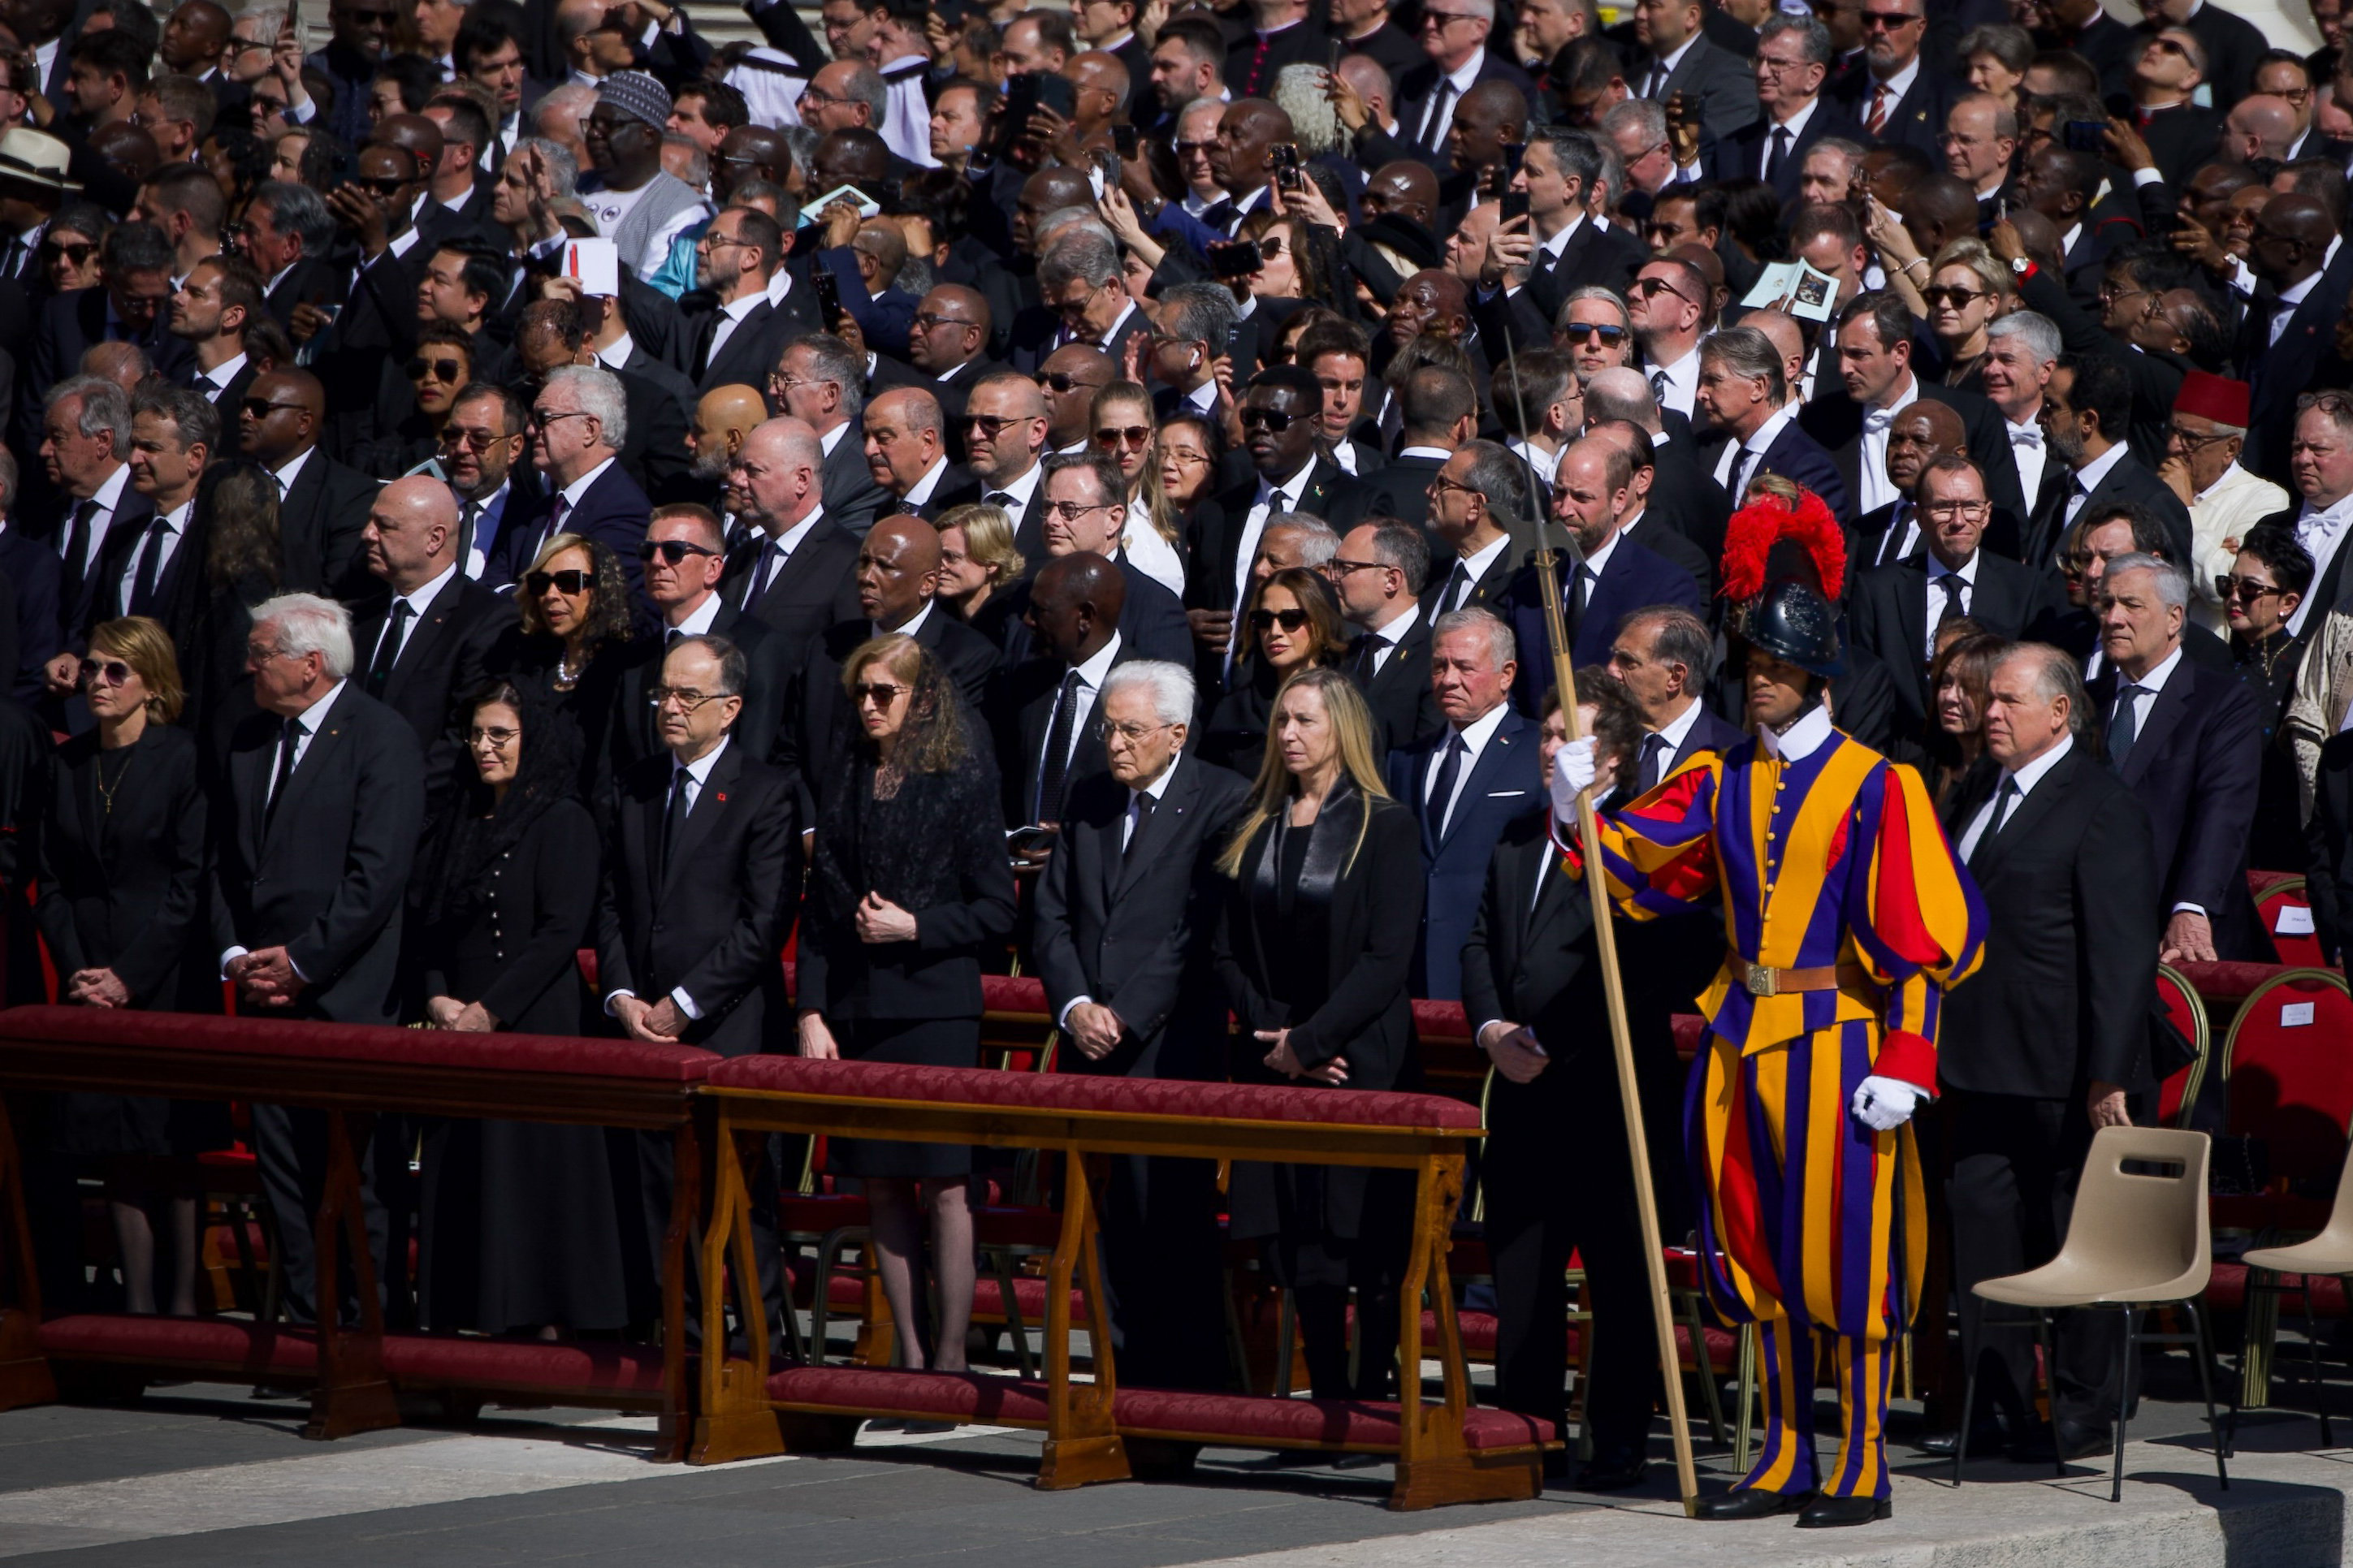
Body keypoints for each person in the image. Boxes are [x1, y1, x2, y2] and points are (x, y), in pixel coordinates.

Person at [1561, 515, 1985, 1526]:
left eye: (1781, 667)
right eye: (1753, 663)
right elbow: (1632, 871)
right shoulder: (1718, 778)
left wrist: (1908, 1056)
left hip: (1839, 1044)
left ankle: (1862, 1460)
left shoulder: (1880, 787)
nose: (1761, 679)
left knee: (1842, 1254)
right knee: (1759, 1250)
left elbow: (1926, 936)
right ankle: (1788, 1449)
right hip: (1739, 1038)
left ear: (1819, 677)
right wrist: (1576, 800)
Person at [1933, 642, 2160, 1465]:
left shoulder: (2100, 804)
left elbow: (2122, 949)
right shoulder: (1976, 793)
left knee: (2073, 1233)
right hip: (1977, 1061)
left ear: (2058, 711)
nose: (1987, 712)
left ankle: (2082, 1403)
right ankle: (1993, 1398)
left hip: (2065, 1070)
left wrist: (2108, 1070)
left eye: (2006, 701)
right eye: (1984, 698)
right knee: (1982, 1228)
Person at [1460, 669, 1670, 1490]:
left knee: (1617, 1272)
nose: (1551, 747)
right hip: (1520, 1087)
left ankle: (1615, 1433)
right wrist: (1490, 1030)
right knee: (1522, 1267)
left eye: (1569, 738)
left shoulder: (1630, 843)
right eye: (1547, 734)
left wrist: (1543, 1035)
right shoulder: (1518, 836)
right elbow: (1477, 941)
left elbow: (1634, 967)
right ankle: (1527, 1426)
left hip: (1602, 1088)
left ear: (1611, 757)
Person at [1027, 659, 1248, 1391]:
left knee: (1171, 1213)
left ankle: (1185, 1379)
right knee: (1103, 1217)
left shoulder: (1221, 797)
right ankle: (1118, 1372)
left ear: (1176, 733)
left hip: (1168, 1041)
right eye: (1108, 727)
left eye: (1130, 730)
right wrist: (1074, 1006)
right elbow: (1052, 913)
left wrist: (1125, 1014)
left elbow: (1196, 931)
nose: (1114, 742)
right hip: (1089, 1037)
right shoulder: (1090, 794)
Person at [797, 633, 1015, 1372]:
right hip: (860, 1007)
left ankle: (952, 1357)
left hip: (936, 1006)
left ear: (922, 698)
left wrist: (915, 925)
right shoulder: (850, 772)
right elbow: (823, 903)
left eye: (883, 692)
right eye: (859, 692)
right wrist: (811, 1011)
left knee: (946, 1185)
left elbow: (996, 909)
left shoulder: (958, 776)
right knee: (881, 1183)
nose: (868, 705)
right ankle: (910, 1354)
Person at [210, 593, 426, 1325]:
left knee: (356, 1172)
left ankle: (371, 1324)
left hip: (348, 993)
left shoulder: (380, 737)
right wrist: (240, 954)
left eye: (261, 652)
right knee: (283, 1172)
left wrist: (301, 962)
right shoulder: (248, 739)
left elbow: (377, 876)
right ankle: (307, 1322)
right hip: (264, 996)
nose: (248, 665)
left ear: (310, 664)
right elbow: (227, 867)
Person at [1211, 666, 1423, 1402]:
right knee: (1295, 1240)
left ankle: (1370, 1391)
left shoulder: (1383, 824)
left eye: (1305, 721)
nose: (1289, 734)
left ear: (1343, 731)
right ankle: (1325, 1391)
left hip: (1356, 1057)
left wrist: (1313, 1039)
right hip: (1275, 1055)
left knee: (1357, 1236)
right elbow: (1222, 947)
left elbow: (1387, 958)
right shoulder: (1257, 822)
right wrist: (1275, 1033)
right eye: (1281, 721)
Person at [594, 633, 800, 1331]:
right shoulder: (636, 785)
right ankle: (672, 1337)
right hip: (643, 1022)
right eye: (663, 693)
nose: (670, 707)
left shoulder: (766, 792)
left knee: (739, 1188)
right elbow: (613, 902)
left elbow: (764, 920)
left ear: (731, 706)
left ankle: (760, 1335)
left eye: (688, 695)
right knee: (656, 1187)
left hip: (729, 1023)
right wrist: (623, 994)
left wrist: (683, 1004)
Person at [409, 679, 628, 1337]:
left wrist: (489, 1011)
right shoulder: (462, 817)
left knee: (527, 1175)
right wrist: (439, 994)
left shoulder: (563, 818)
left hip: (534, 1018)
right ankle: (466, 1313)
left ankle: (538, 1316)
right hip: (461, 1020)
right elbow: (432, 920)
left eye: (499, 734)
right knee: (468, 1172)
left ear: (530, 739)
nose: (483, 747)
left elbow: (561, 931)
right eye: (476, 734)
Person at [33, 618, 208, 1318]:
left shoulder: (182, 758)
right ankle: (136, 1309)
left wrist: (130, 974)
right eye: (93, 669)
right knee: (114, 1144)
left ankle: (185, 1305)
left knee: (170, 1140)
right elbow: (50, 881)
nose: (98, 683)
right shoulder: (68, 762)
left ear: (152, 685)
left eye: (116, 673)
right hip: (90, 973)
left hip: (161, 974)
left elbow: (188, 882)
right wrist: (80, 970)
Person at [2087, 552, 2268, 963]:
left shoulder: (2221, 701)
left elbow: (2223, 811)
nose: (2113, 618)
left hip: (2170, 932)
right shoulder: (2086, 705)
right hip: (2091, 927)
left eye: (2131, 605)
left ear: (2174, 618)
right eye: (2107, 604)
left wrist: (2191, 906)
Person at [1384, 607, 1541, 1002]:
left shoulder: (1539, 753)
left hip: (1494, 975)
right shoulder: (1404, 761)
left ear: (1507, 674)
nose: (1448, 679)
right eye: (1439, 666)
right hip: (1408, 974)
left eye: (1465, 667)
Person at [353, 476, 507, 816]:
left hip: (422, 820)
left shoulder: (482, 619)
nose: (368, 534)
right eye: (370, 521)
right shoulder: (361, 616)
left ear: (434, 539)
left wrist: (392, 805)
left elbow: (461, 737)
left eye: (385, 526)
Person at [481, 534, 638, 799]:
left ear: (600, 589)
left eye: (568, 583)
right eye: (541, 584)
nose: (550, 596)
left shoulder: (623, 671)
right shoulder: (529, 666)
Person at [2222, 525, 2314, 875]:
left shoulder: (2306, 669)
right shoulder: (2206, 658)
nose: (2233, 597)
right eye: (2228, 585)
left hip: (2276, 847)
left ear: (2288, 603)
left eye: (2249, 590)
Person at [1200, 567, 1348, 773]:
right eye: (1263, 619)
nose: (1275, 631)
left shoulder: (1350, 704)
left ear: (1321, 620)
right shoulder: (1235, 710)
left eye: (1290, 619)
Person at [1334, 519, 1443, 757]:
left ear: (1391, 580)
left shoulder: (1436, 656)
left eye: (1345, 567)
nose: (1334, 578)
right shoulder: (1341, 656)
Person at [1091, 382, 1185, 598]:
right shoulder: (1080, 517)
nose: (1124, 448)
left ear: (1152, 439)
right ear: (1093, 440)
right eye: (1109, 437)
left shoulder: (1171, 520)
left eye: (1135, 435)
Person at [1921, 628, 2005, 809]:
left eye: (1968, 688)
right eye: (1946, 683)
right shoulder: (1925, 768)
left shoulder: (2001, 782)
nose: (1950, 696)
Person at [934, 503, 1027, 654]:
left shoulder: (1010, 626)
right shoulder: (937, 616)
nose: (940, 566)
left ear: (991, 563)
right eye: (938, 555)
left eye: (951, 557)